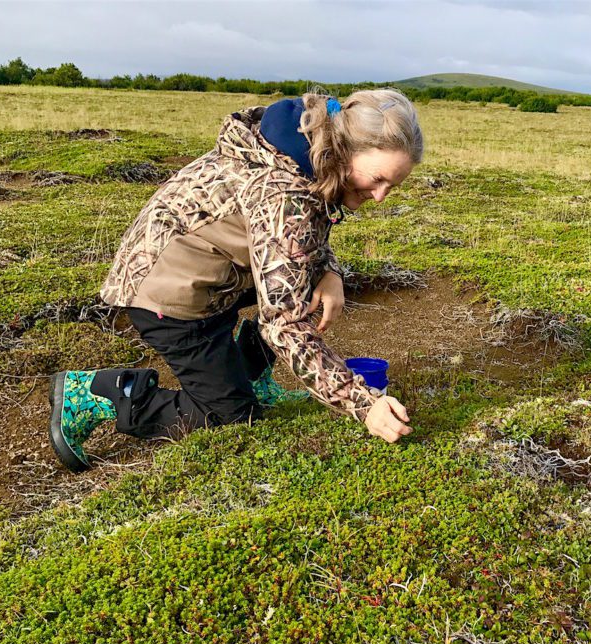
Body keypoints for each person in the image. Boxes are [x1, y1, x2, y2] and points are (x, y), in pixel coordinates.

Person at [48, 89, 423, 472]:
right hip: (169, 294)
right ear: (344, 149)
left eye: (392, 186)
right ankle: (102, 393)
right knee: (231, 418)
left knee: (301, 283)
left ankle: (251, 376)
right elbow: (284, 321)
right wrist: (363, 403)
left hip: (209, 270)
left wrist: (329, 271)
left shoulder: (308, 148)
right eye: (377, 179)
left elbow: (300, 241)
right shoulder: (284, 192)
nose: (379, 196)